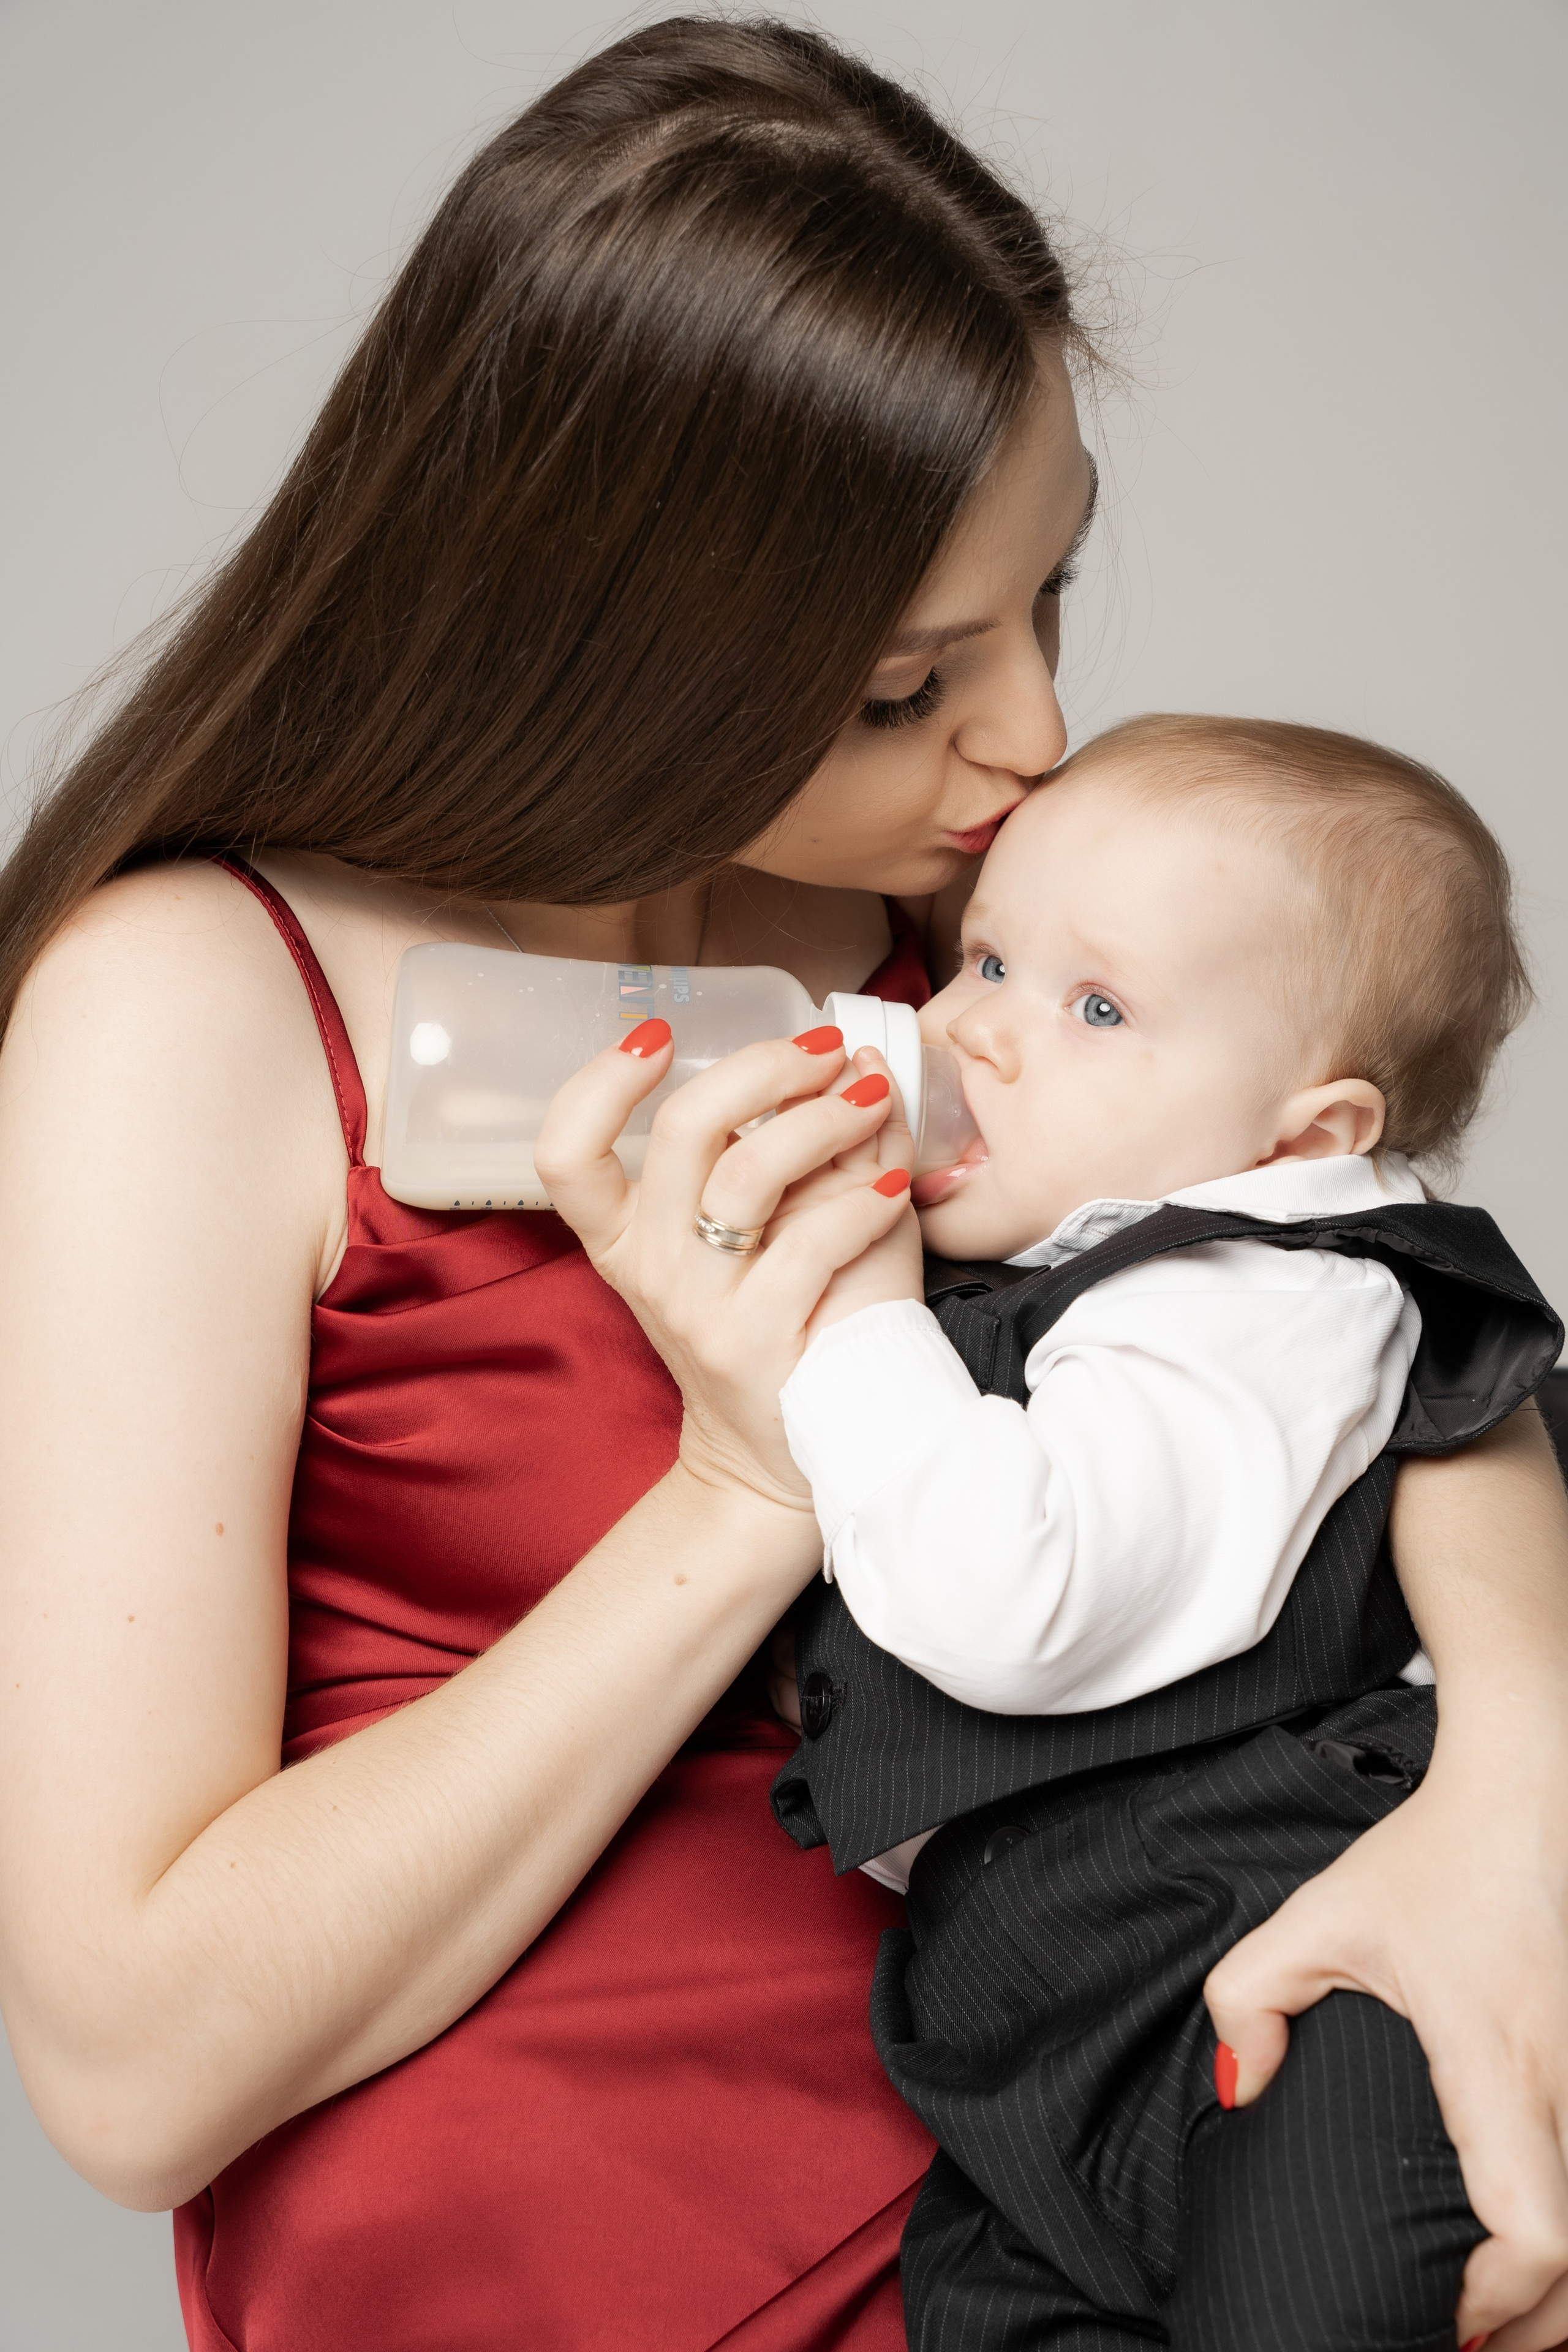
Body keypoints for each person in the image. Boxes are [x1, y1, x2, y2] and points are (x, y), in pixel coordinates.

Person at [0, 17, 1564, 2352]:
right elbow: (131, 2073)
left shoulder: (988, 952)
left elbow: (1392, 1327)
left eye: (1054, 597)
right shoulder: (188, 1013)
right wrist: (747, 1478)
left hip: (1128, 2146)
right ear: (618, 636)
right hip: (610, 2262)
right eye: (904, 683)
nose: (1032, 742)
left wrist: (1516, 1814)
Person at [761, 713, 1559, 2347]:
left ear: (1308, 1138)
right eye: (982, 961)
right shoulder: (1082, 1258)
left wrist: (844, 1309)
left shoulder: (1256, 1286)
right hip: (1042, 2069)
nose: (976, 1032)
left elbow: (1009, 1596)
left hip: (1308, 1998)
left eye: (1098, 1007)